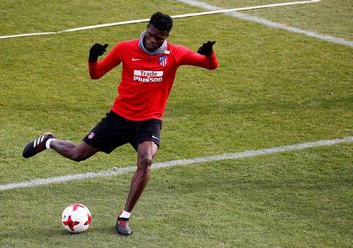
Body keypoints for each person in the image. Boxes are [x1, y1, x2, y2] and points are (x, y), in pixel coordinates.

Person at [22, 12, 218, 236]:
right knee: (78, 154)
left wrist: (209, 54)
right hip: (119, 118)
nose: (154, 40)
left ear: (167, 37)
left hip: (149, 122)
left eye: (160, 38)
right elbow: (96, 74)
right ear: (147, 28)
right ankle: (48, 141)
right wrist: (92, 58)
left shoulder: (175, 53)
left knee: (146, 160)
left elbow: (209, 65)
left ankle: (124, 217)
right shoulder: (125, 48)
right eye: (152, 34)